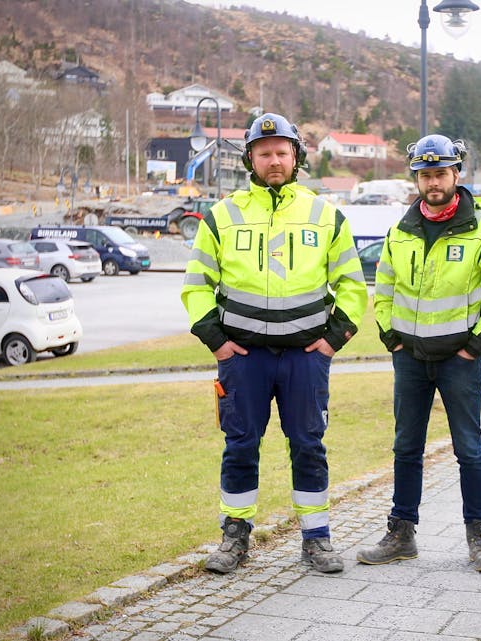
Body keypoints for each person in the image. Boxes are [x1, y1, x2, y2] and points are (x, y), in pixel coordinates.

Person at [181, 113, 368, 574]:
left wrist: (331, 341)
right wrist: (217, 344)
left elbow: (353, 285)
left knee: (308, 444)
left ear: (296, 157)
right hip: (244, 358)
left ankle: (317, 538)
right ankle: (235, 538)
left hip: (306, 357)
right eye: (264, 153)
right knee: (240, 444)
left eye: (282, 152)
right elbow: (196, 285)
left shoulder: (326, 215)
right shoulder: (222, 216)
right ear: (250, 158)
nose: (274, 160)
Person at [356, 134, 481, 572]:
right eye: (425, 175)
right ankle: (401, 534)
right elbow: (385, 289)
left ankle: (480, 538)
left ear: (457, 174)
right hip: (409, 358)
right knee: (405, 448)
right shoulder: (401, 230)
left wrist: (473, 348)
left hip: (459, 362)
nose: (433, 183)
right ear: (416, 177)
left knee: (469, 449)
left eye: (441, 174)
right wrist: (391, 338)